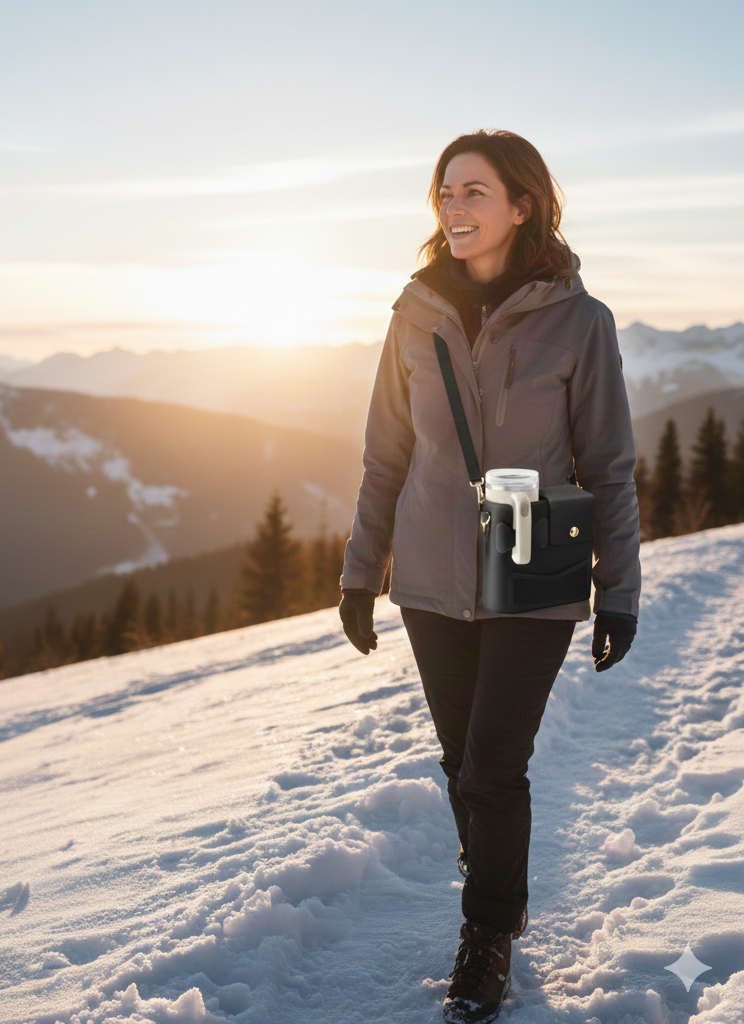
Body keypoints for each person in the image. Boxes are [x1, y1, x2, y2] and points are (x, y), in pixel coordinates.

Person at [338, 129, 641, 1024]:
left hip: (533, 562)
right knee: (460, 759)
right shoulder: (412, 315)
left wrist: (617, 591)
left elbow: (611, 467)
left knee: (495, 766)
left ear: (523, 205)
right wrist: (362, 574)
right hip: (433, 576)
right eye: (444, 194)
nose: (455, 209)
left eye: (474, 192)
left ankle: (487, 939)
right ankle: (496, 881)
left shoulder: (581, 323)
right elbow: (384, 459)